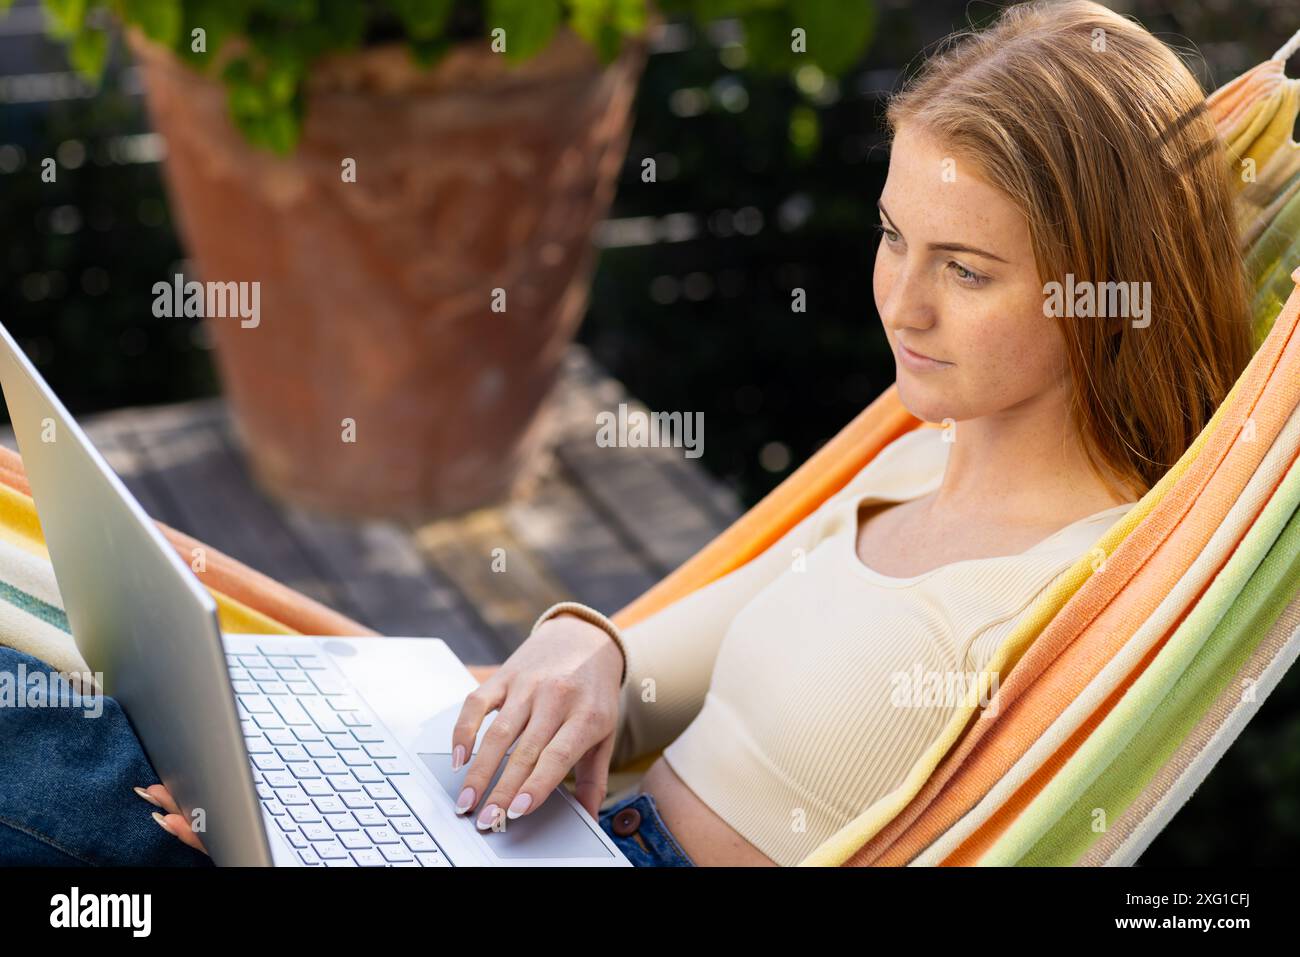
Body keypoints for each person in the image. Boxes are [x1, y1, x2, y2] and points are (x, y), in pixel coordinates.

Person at [5, 0, 1254, 866]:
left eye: (967, 271)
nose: (902, 303)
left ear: (1108, 283)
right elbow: (665, 666)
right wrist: (585, 647)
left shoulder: (1088, 597)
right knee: (77, 714)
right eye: (891, 236)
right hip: (538, 831)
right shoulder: (923, 447)